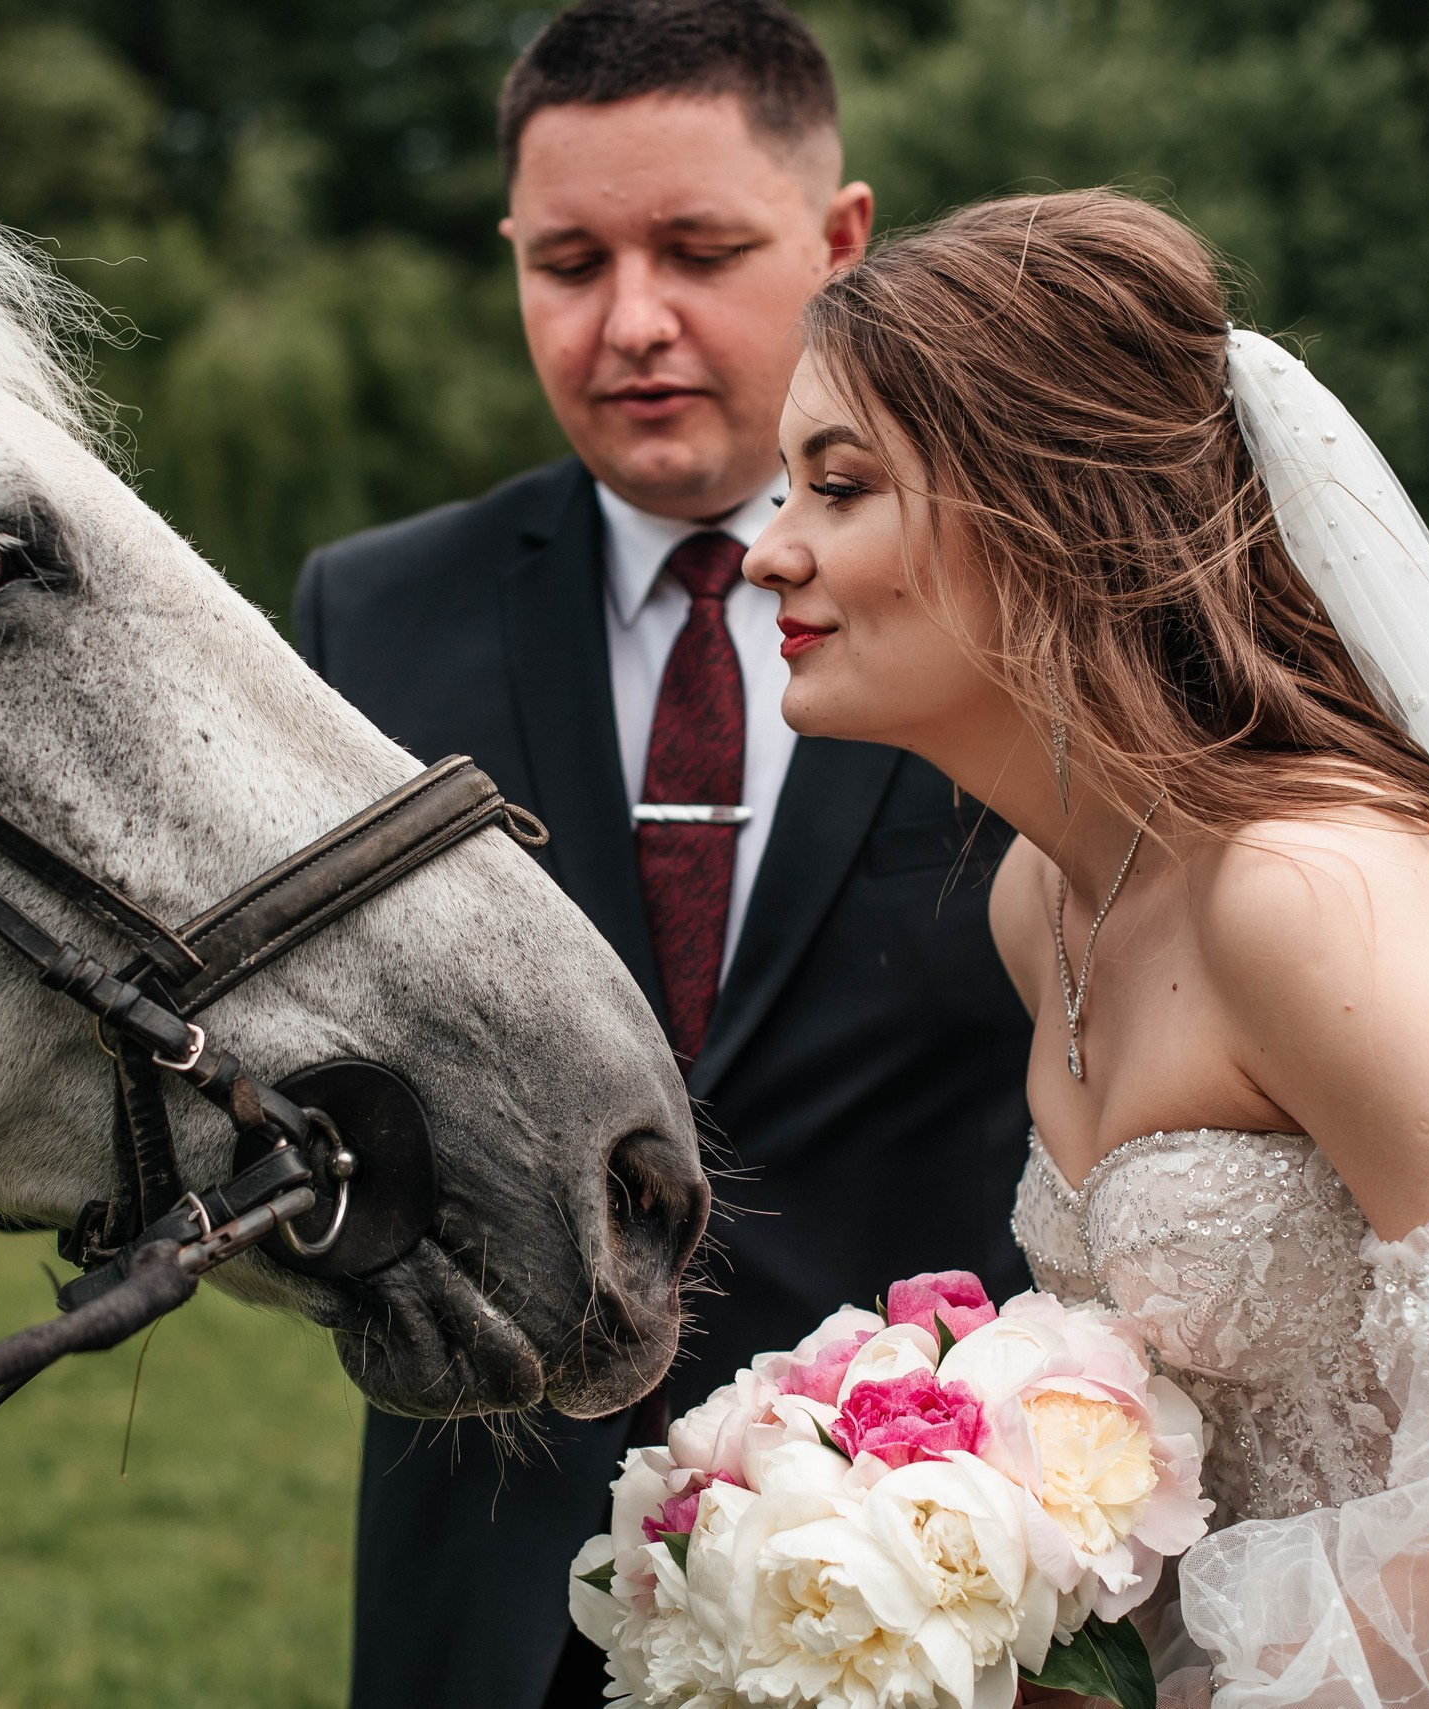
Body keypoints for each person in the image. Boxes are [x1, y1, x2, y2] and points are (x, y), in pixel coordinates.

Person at [742, 186, 1429, 1703]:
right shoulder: (1039, 906)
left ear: (1048, 508)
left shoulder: (1304, 893)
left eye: (836, 489)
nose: (766, 555)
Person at [291, 3, 1036, 1702]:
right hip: (481, 1592)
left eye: (701, 250)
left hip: (941, 1583)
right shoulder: (367, 612)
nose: (632, 322)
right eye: (568, 262)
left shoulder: (1018, 608)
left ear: (843, 242)